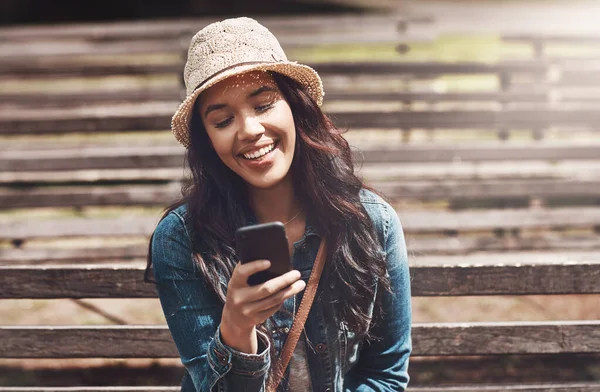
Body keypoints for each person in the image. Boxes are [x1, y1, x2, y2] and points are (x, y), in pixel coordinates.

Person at [146, 17, 411, 392]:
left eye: (264, 104)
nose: (250, 130)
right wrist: (236, 330)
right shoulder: (181, 239)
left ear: (296, 108)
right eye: (222, 120)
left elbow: (385, 375)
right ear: (207, 140)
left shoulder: (371, 221)